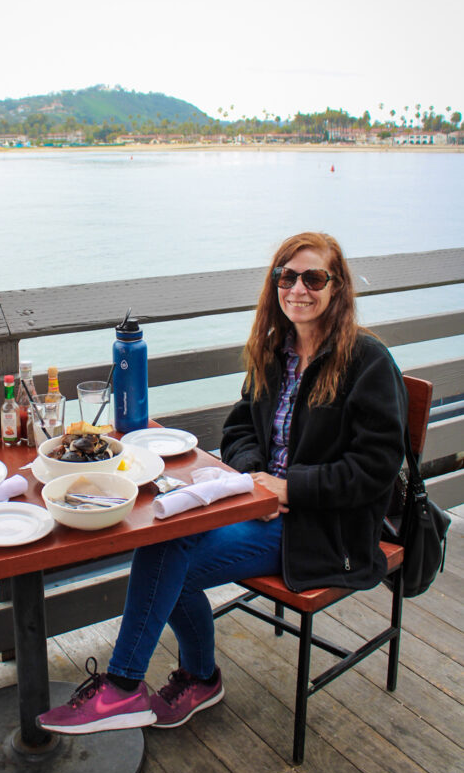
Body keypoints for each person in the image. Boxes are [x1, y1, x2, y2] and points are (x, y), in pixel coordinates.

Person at [38, 231, 408, 735]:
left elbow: (376, 470)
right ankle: (194, 679)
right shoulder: (276, 351)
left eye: (314, 278)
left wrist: (288, 489)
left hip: (325, 530)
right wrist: (255, 479)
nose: (299, 288)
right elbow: (238, 429)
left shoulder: (368, 363)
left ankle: (133, 687)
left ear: (337, 288)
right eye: (287, 276)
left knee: (168, 555)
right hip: (256, 506)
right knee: (163, 538)